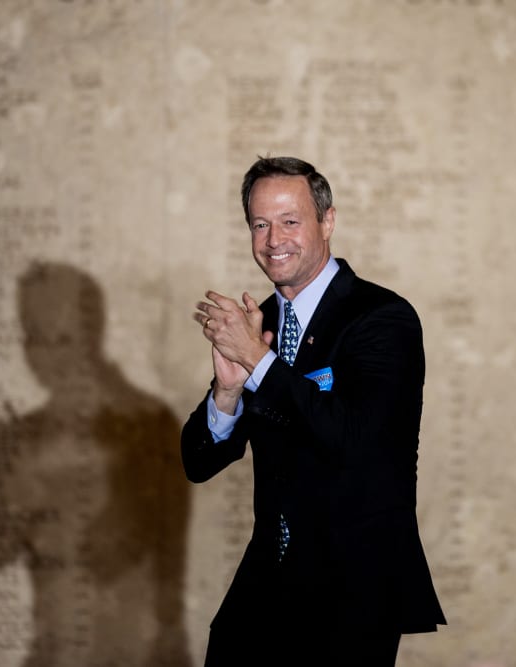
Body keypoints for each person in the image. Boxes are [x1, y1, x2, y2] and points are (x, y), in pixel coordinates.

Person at [181, 156, 445, 666]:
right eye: (260, 224)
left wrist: (258, 361)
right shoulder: (262, 321)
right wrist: (229, 390)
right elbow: (198, 463)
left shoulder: (382, 318)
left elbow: (350, 439)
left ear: (327, 221)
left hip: (352, 591)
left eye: (290, 221)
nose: (273, 238)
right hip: (267, 581)